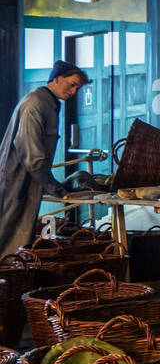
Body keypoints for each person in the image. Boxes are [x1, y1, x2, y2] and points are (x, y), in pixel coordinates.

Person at [0, 60, 91, 256]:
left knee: (16, 240)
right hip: (13, 181)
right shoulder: (35, 104)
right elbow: (33, 157)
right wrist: (57, 189)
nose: (74, 91)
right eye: (72, 84)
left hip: (26, 181)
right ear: (57, 79)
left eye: (78, 87)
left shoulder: (49, 104)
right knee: (5, 236)